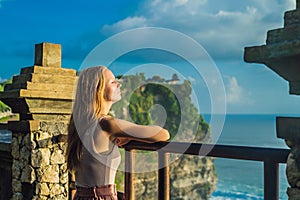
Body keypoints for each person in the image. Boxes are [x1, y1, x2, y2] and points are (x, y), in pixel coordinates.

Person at [66, 66, 170, 200]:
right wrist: (127, 134)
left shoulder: (81, 123)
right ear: (98, 90)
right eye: (112, 82)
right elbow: (162, 134)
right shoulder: (107, 124)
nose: (119, 84)